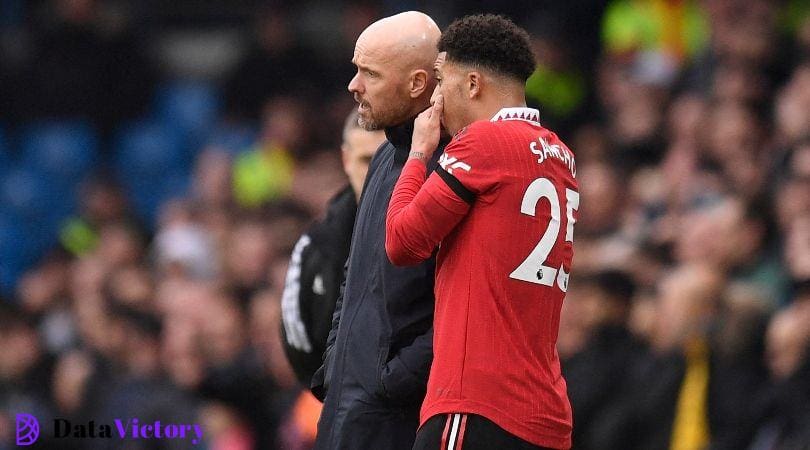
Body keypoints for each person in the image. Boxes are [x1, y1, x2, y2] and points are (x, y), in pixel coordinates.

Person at [385, 14, 578, 450]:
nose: (434, 97)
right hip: (545, 415)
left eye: (440, 80)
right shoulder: (561, 156)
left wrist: (419, 153)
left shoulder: (483, 143)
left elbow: (402, 241)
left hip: (476, 405)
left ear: (472, 84)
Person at [310, 11, 445, 450]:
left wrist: (391, 379)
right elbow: (356, 273)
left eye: (369, 73)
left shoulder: (453, 168)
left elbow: (460, 302)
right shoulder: (384, 157)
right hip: (348, 409)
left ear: (417, 83)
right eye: (356, 69)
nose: (354, 85)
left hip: (399, 419)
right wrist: (333, 369)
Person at [280, 109, 385, 386]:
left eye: (384, 159)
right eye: (366, 161)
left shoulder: (432, 231)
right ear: (346, 159)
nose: (376, 173)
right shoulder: (316, 246)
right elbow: (299, 344)